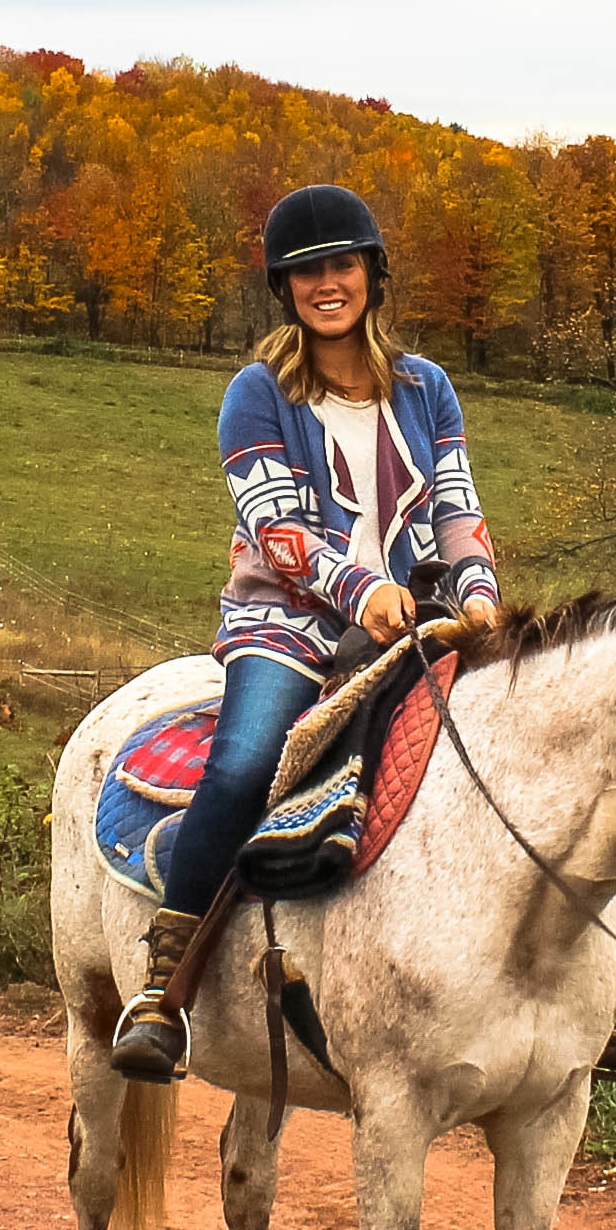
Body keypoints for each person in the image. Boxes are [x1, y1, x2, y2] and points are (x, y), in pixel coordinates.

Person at [109, 183, 500, 1078]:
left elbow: (457, 510)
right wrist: (362, 589)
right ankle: (163, 988)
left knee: (503, 748)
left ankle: (565, 1001)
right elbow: (280, 531)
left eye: (343, 264)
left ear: (373, 273)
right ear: (284, 288)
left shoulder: (428, 388)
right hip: (287, 624)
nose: (329, 283)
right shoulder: (255, 395)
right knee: (246, 761)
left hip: (412, 618)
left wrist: (479, 596)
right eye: (307, 271)